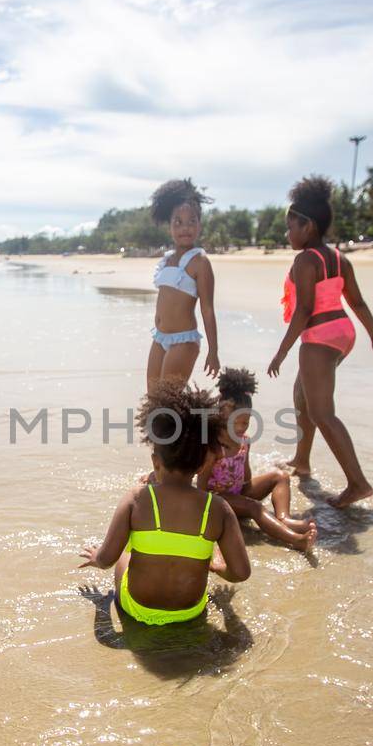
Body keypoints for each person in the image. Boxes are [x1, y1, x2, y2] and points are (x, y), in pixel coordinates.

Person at [267, 175, 373, 506]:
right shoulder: (340, 258)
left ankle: (358, 483)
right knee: (302, 396)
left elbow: (304, 310)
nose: (288, 233)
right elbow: (358, 302)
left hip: (320, 336)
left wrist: (281, 352)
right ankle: (302, 460)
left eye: (290, 226)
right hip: (343, 332)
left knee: (323, 412)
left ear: (307, 226)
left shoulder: (305, 260)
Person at [79, 381, 251, 625]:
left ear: (155, 462)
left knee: (125, 555)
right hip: (190, 612)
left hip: (137, 608)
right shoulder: (219, 508)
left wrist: (99, 588)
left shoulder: (136, 498)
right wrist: (219, 567)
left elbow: (106, 560)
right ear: (203, 464)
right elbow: (241, 572)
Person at [201, 367, 316, 551]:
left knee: (281, 476)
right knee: (255, 508)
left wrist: (249, 492)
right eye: (235, 422)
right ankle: (296, 540)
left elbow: (246, 477)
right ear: (221, 417)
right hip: (216, 499)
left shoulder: (244, 441)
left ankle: (283, 517)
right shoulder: (214, 447)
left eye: (245, 422)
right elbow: (201, 486)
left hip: (237, 493)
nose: (240, 427)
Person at [147, 179, 221, 391]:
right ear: (169, 226)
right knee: (153, 404)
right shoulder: (167, 259)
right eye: (177, 222)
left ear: (200, 224)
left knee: (166, 407)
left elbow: (207, 309)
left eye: (191, 221)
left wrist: (213, 351)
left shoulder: (200, 262)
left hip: (183, 341)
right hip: (159, 338)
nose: (185, 228)